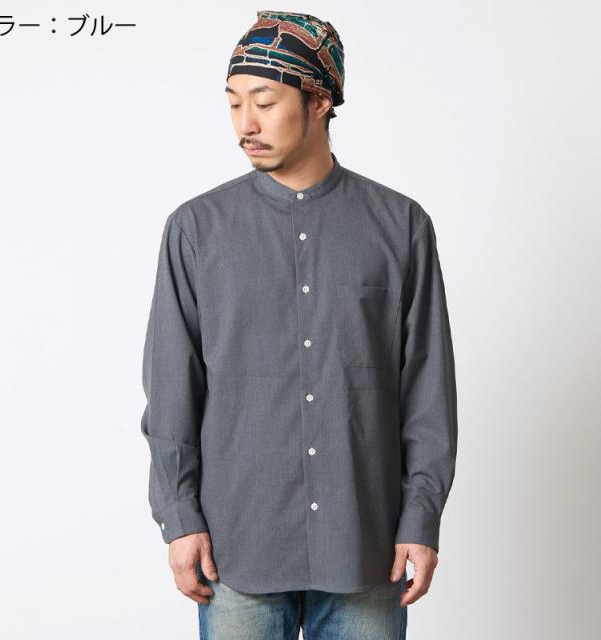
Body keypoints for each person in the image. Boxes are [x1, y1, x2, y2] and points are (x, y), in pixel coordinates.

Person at [140, 10, 458, 640]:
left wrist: (421, 518)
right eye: (234, 103)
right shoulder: (196, 230)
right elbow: (172, 388)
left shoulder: (401, 227)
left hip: (366, 552)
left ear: (319, 101)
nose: (245, 124)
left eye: (264, 102)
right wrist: (179, 517)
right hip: (236, 552)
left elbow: (428, 393)